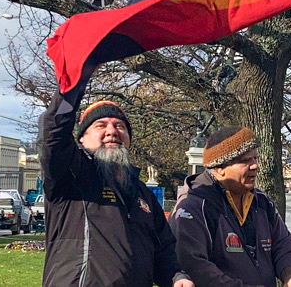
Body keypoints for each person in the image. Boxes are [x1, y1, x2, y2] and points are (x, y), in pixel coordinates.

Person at [40, 97, 194, 287]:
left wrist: (177, 277)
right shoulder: (72, 176)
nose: (112, 131)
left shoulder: (142, 192)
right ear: (82, 138)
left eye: (120, 126)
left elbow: (163, 250)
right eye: (100, 125)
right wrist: (69, 91)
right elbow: (54, 135)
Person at [169, 126, 291, 287]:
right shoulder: (194, 206)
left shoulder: (262, 202)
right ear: (219, 168)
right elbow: (193, 265)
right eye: (245, 160)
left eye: (255, 158)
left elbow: (283, 246)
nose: (255, 166)